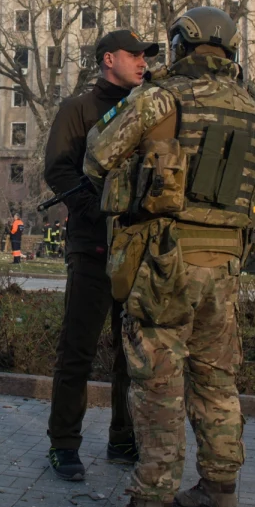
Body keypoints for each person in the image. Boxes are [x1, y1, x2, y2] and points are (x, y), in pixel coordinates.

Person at [78, 7, 255, 507]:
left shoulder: (162, 97)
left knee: (159, 383)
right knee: (217, 380)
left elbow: (98, 154)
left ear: (183, 44)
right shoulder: (253, 107)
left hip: (166, 263)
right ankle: (220, 491)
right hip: (225, 266)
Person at [43, 28, 155, 483]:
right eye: (134, 55)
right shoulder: (78, 109)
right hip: (92, 247)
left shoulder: (149, 107)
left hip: (138, 248)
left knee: (132, 352)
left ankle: (122, 438)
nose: (143, 62)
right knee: (78, 350)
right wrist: (95, 210)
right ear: (108, 59)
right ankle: (64, 445)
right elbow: (58, 168)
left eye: (145, 56)